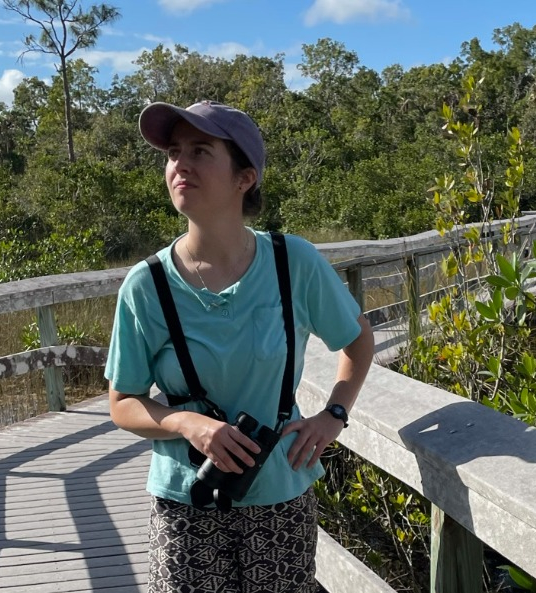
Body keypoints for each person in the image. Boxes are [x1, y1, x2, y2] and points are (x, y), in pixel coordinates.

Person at [106, 100, 375, 593]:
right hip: (186, 500)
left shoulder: (292, 261)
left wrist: (333, 415)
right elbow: (122, 404)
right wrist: (188, 423)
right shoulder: (147, 285)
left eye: (201, 151)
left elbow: (357, 339)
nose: (180, 165)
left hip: (280, 492)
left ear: (244, 177)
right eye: (173, 152)